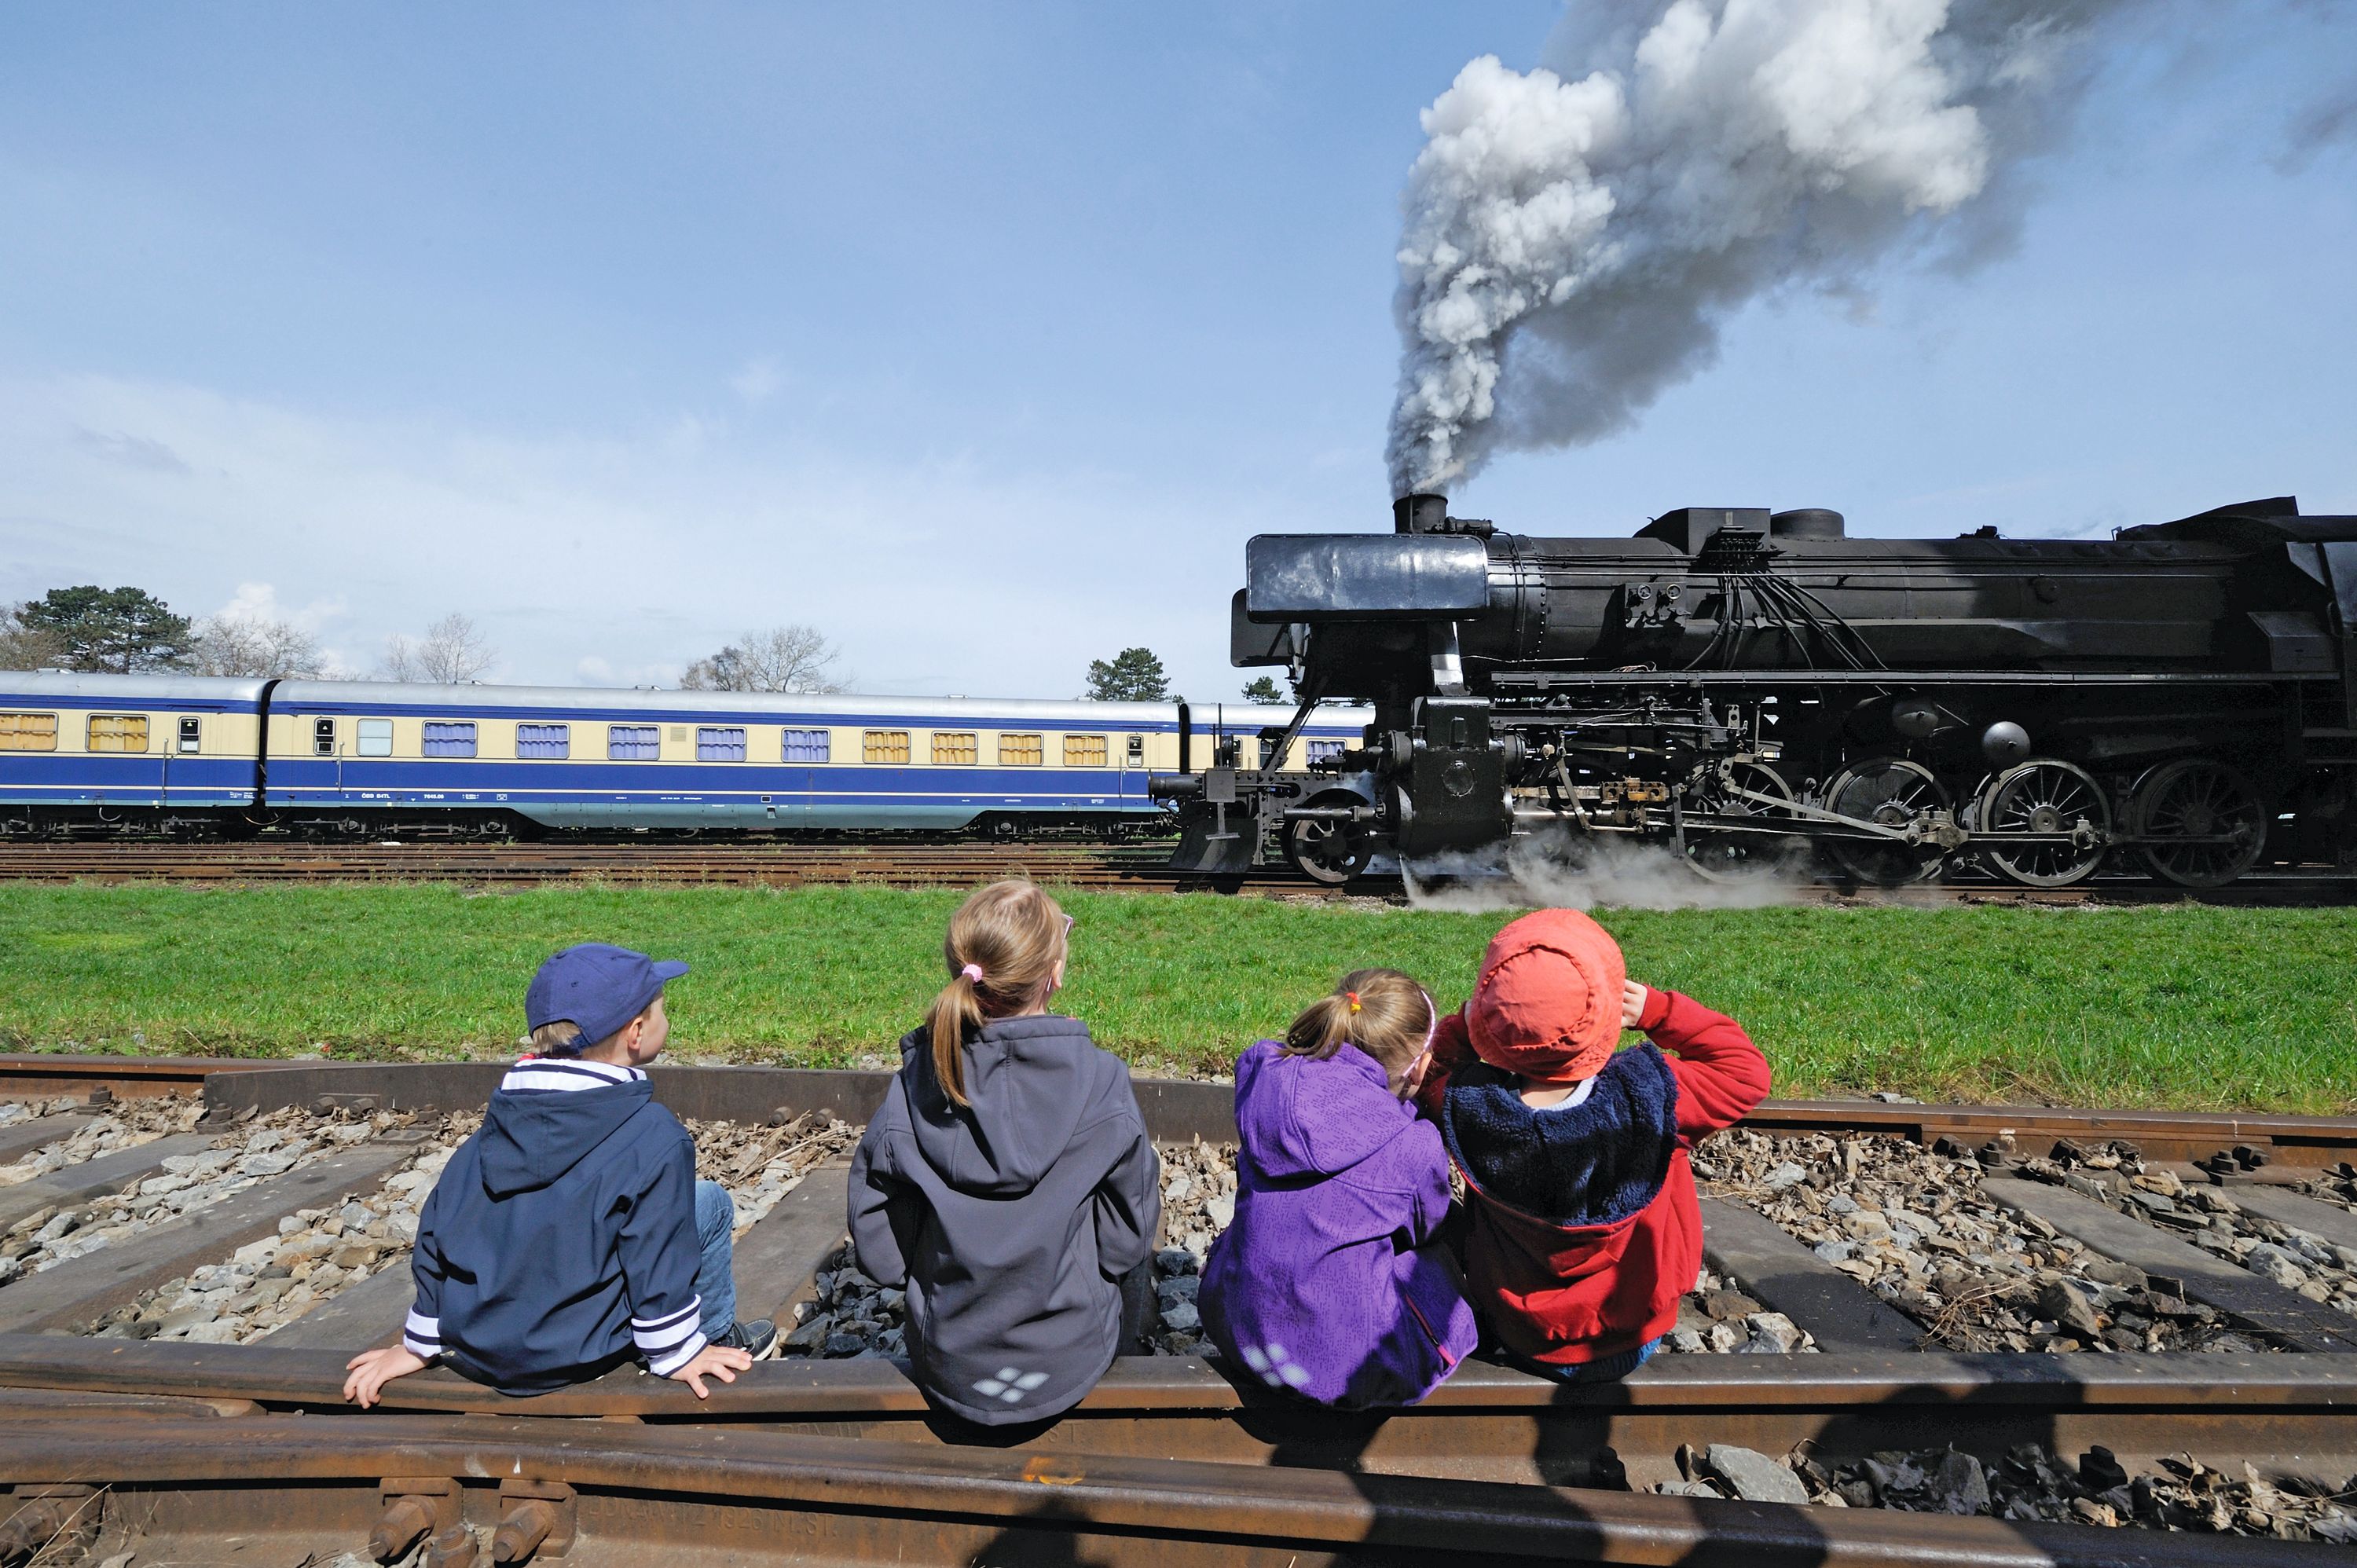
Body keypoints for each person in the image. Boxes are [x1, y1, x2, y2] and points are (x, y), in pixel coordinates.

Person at [343, 942, 777, 1407]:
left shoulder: (497, 1124)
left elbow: (437, 1232)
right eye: (661, 1012)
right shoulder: (653, 1135)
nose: (666, 1021)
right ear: (636, 1033)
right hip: (583, 1352)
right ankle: (714, 1335)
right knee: (709, 1202)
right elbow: (657, 1254)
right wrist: (677, 1353)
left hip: (483, 1349)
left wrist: (421, 1343)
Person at [848, 879, 1160, 1428]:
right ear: (1054, 975)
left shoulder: (917, 1082)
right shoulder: (1101, 1082)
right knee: (1134, 1267)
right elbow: (1126, 1237)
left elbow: (880, 1251)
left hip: (952, 1364)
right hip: (1067, 1362)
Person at [1416, 908, 1769, 1382]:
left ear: (1491, 1021)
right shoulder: (1656, 1094)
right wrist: (1660, 1012)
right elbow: (1745, 1071)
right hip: (1634, 1338)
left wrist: (1471, 1023)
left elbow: (1421, 1071)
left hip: (1521, 1336)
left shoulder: (1465, 1103)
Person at [1199, 969, 1477, 1408]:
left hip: (1236, 1325)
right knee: (1437, 1265)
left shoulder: (1266, 1078)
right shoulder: (1414, 1144)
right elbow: (1428, 1230)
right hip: (1347, 1368)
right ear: (1421, 1065)